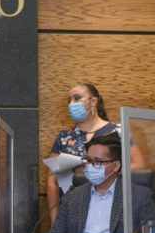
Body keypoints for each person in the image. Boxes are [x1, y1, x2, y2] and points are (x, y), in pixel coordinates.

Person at [46, 83, 146, 223]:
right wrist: (55, 220)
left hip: (113, 208)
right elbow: (52, 181)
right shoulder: (64, 137)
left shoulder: (119, 131)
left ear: (93, 101)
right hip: (74, 211)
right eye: (69, 100)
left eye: (77, 98)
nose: (71, 104)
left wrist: (101, 170)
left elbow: (139, 165)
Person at [47, 132, 155, 233]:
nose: (90, 166)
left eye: (97, 161)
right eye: (88, 161)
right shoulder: (72, 196)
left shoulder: (138, 196)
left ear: (116, 166)